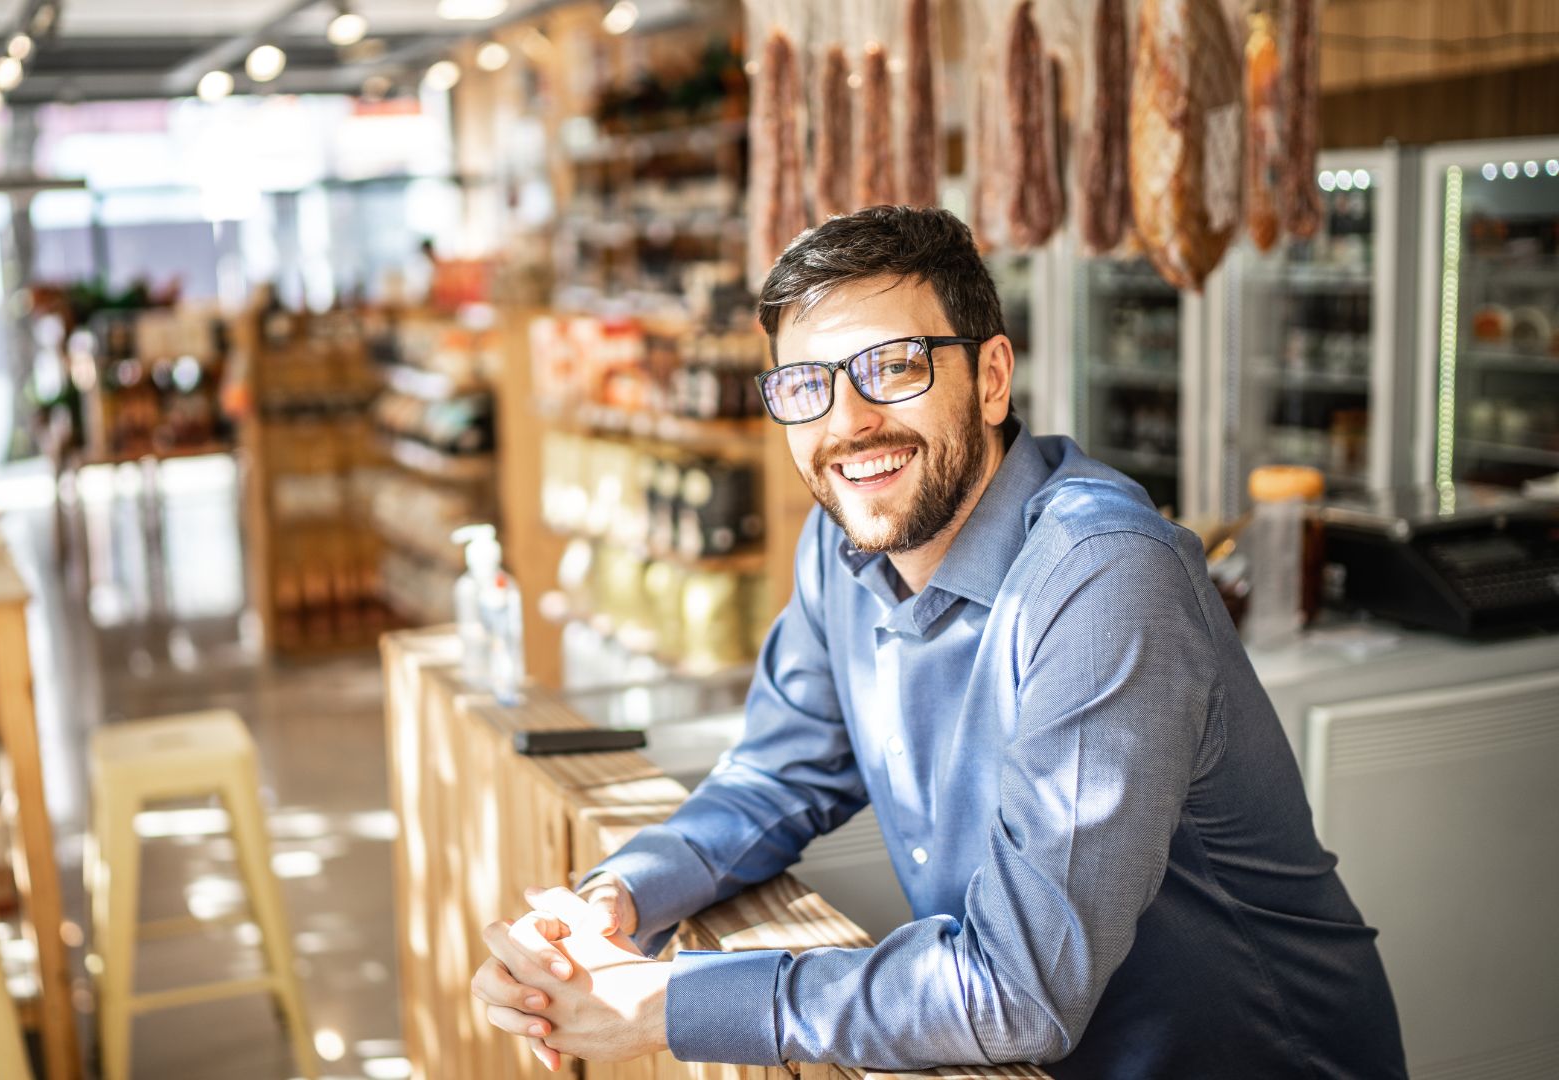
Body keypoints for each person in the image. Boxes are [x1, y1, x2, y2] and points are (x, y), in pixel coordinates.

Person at [470, 206, 1407, 1078]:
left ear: (991, 377)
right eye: (807, 386)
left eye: (894, 366)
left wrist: (667, 1003)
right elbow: (776, 776)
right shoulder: (842, 545)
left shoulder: (1103, 575)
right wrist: (620, 899)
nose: (848, 423)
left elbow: (1017, 987)